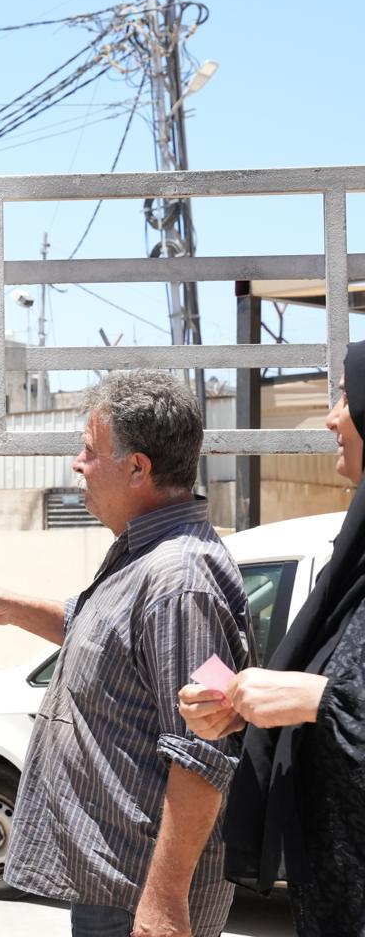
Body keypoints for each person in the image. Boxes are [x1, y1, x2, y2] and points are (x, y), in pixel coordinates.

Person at [0, 370, 251, 937]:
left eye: (90, 450)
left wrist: (164, 902)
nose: (77, 464)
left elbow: (201, 753)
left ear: (138, 467)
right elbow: (103, 633)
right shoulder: (145, 553)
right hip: (116, 886)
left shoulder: (180, 580)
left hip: (139, 897)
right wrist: (6, 606)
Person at [180, 343, 365, 936]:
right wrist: (248, 710)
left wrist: (316, 700)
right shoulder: (353, 561)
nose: (332, 418)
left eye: (346, 398)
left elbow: (335, 700)